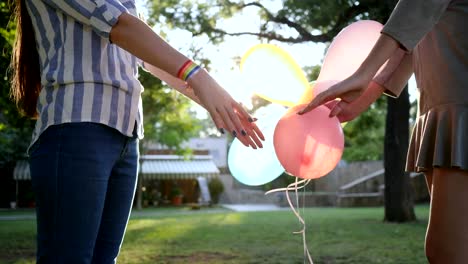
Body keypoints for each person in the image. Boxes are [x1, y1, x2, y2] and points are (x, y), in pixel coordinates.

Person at [10, 0, 264, 263]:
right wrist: (198, 76)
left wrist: (222, 105)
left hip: (126, 134)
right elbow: (120, 25)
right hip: (76, 129)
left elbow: (146, 55)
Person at [299, 0, 468, 262]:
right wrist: (365, 94)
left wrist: (363, 75)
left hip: (460, 107)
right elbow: (418, 30)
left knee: (447, 251)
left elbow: (417, 7)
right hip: (444, 106)